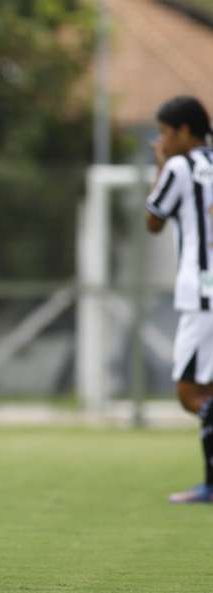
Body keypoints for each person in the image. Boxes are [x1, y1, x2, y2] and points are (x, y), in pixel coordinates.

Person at [145, 96, 213, 504]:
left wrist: (158, 165)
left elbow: (153, 220)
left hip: (202, 294)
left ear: (184, 131)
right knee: (207, 388)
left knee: (190, 394)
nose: (162, 141)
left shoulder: (179, 167)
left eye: (165, 133)